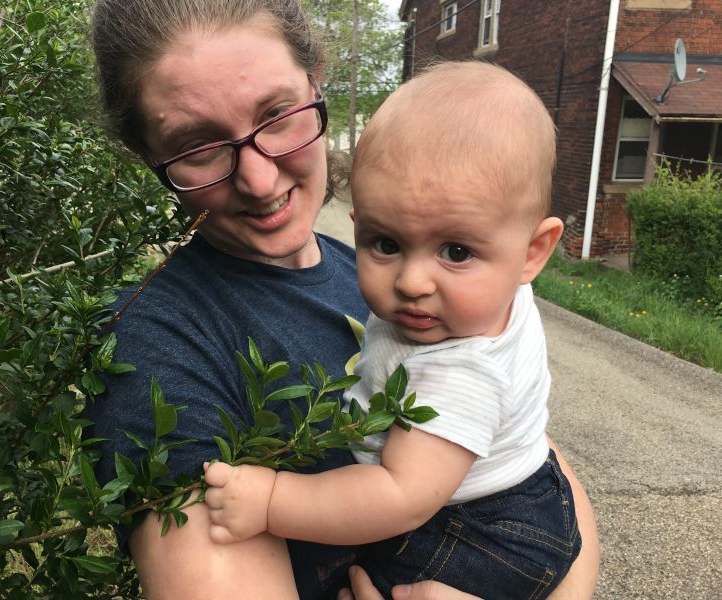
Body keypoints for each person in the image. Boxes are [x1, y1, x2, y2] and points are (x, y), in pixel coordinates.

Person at [83, 0, 600, 597]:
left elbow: (535, 461)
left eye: (277, 116)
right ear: (148, 158)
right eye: (198, 147)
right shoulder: (158, 345)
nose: (258, 179)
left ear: (316, 85)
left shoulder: (385, 274)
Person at [204, 61, 582, 599]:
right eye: (386, 243)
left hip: (482, 534)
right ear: (358, 227)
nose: (411, 281)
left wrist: (270, 501)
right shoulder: (494, 289)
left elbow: (399, 493)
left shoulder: (459, 371)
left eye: (456, 252)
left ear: (533, 252)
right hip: (514, 500)